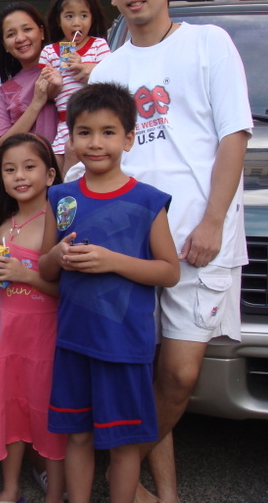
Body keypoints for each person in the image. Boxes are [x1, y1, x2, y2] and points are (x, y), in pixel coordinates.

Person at [89, 0, 253, 503]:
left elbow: (235, 135)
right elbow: (95, 155)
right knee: (139, 375)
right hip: (128, 245)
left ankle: (118, 476)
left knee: (179, 377)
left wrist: (211, 220)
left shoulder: (209, 44)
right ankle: (161, 494)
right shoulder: (108, 66)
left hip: (198, 242)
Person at [39, 83, 181, 503]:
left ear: (129, 137)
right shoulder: (60, 197)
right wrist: (58, 254)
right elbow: (45, 268)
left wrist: (112, 261)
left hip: (124, 347)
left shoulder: (148, 200)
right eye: (84, 132)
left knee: (123, 445)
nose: (95, 143)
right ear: (71, 136)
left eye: (108, 132)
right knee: (78, 438)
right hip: (74, 342)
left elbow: (169, 271)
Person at [0, 134, 66, 503]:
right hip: (8, 335)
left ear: (49, 175)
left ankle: (56, 491)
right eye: (10, 169)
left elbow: (69, 291)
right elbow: (0, 282)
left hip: (45, 336)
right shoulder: (3, 225)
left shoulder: (58, 221)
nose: (19, 176)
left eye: (29, 167)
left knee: (49, 413)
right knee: (9, 407)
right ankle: (10, 488)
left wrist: (24, 273)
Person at [39, 0, 110, 171]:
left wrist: (87, 68)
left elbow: (110, 82)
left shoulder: (99, 45)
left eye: (83, 15)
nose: (77, 23)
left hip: (94, 121)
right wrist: (55, 84)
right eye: (69, 16)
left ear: (92, 18)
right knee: (62, 179)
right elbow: (47, 95)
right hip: (64, 124)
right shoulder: (48, 52)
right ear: (58, 20)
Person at [0, 2, 60, 148]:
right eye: (11, 34)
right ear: (5, 45)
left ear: (42, 32)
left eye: (27, 29)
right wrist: (36, 103)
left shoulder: (64, 68)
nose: (20, 38)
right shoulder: (5, 91)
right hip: (29, 167)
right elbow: (2, 143)